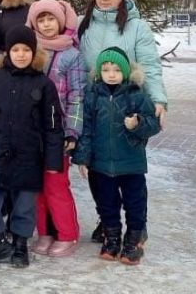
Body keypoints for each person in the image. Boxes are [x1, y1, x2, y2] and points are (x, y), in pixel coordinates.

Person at [78, 0, 167, 243]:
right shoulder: (85, 23)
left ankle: (137, 226)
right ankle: (107, 221)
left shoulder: (136, 26)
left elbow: (150, 64)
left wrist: (158, 99)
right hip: (95, 103)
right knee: (99, 173)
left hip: (129, 104)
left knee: (128, 174)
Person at [0, 25, 64, 268]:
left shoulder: (44, 84)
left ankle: (20, 246)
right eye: (15, 49)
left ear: (34, 53)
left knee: (24, 204)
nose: (21, 54)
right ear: (7, 52)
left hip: (29, 154)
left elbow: (53, 126)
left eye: (26, 50)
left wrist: (53, 160)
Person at [73, 47, 161, 265]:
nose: (111, 74)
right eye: (105, 69)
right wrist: (83, 158)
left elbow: (154, 124)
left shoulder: (136, 94)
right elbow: (86, 129)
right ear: (99, 72)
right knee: (106, 203)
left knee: (135, 203)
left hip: (131, 163)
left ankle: (133, 241)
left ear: (125, 71)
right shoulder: (93, 95)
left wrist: (138, 123)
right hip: (101, 164)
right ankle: (111, 238)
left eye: (116, 69)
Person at [26, 0, 85, 256]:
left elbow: (77, 96)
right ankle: (45, 232)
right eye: (41, 20)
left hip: (57, 130)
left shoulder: (71, 55)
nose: (47, 24)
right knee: (36, 186)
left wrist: (72, 132)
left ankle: (67, 233)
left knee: (56, 185)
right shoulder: (28, 51)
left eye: (51, 19)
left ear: (60, 22)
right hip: (31, 130)